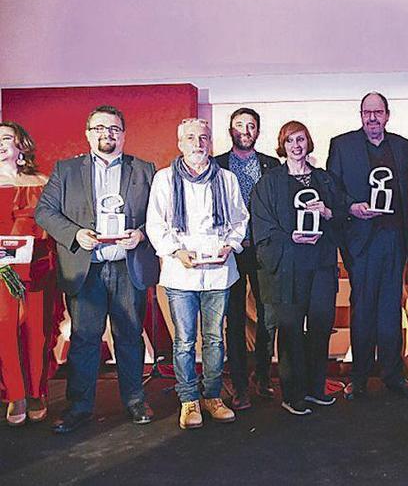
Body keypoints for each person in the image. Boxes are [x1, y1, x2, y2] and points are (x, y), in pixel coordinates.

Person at [35, 105, 159, 433]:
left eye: (115, 128)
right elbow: (44, 212)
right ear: (88, 133)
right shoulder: (66, 170)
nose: (108, 134)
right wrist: (75, 234)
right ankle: (79, 407)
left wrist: (142, 233)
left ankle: (134, 400)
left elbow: (162, 214)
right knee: (85, 338)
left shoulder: (145, 170)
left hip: (126, 267)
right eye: (100, 128)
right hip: (85, 268)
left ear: (124, 133)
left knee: (130, 336)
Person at [145, 118, 249, 429]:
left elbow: (240, 220)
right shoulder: (164, 179)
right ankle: (189, 400)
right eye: (190, 138)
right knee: (185, 340)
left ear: (211, 143)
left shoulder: (227, 179)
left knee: (215, 339)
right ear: (180, 143)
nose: (197, 143)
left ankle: (212, 396)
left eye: (203, 137)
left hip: (218, 273)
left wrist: (230, 245)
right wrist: (176, 252)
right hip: (181, 273)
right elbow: (155, 224)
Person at [327, 92, 408, 400]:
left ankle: (393, 376)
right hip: (360, 241)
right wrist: (352, 207)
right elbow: (332, 191)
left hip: (394, 240)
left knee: (391, 309)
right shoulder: (342, 145)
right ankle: (360, 377)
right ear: (360, 114)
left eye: (378, 112)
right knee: (363, 308)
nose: (373, 117)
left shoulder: (403, 147)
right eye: (367, 112)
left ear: (387, 115)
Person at [251, 121, 342, 415]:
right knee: (290, 329)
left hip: (321, 266)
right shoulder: (270, 182)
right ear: (282, 145)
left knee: (319, 326)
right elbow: (262, 224)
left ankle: (315, 388)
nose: (296, 146)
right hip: (287, 266)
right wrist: (289, 237)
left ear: (308, 142)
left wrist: (327, 212)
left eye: (300, 139)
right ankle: (292, 394)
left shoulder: (324, 180)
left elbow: (342, 216)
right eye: (289, 141)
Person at [215, 107, 281, 410]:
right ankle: (240, 385)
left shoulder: (272, 165)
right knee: (235, 319)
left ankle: (263, 376)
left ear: (258, 131)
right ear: (230, 131)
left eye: (251, 125)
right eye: (239, 125)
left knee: (269, 317)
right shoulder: (216, 166)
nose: (245, 130)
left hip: (264, 250)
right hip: (231, 251)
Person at [0, 122, 63, 426]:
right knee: (5, 329)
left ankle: (37, 391)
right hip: (0, 272)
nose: (0, 144)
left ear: (22, 146)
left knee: (38, 330)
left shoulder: (44, 181)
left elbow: (55, 224)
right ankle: (15, 394)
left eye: (6, 139)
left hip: (39, 266)